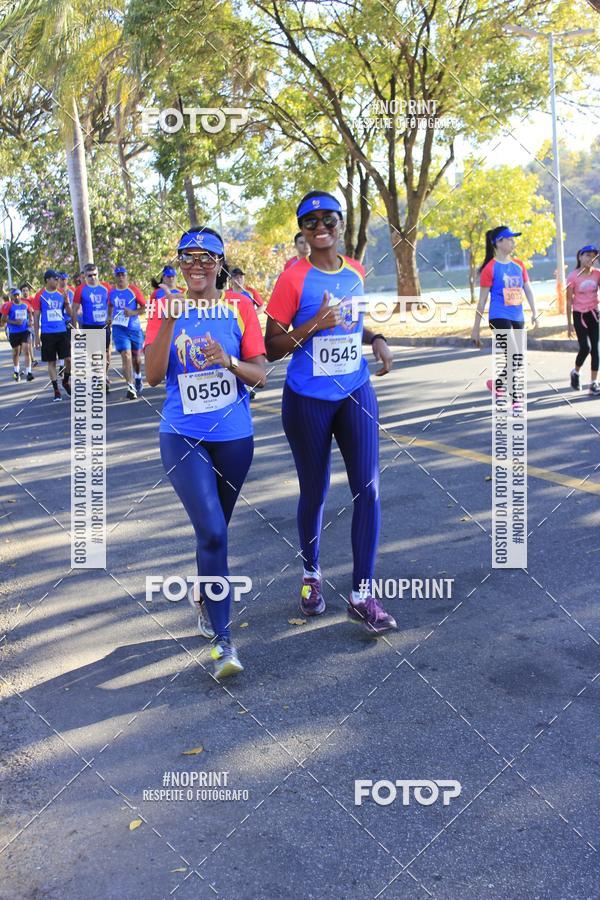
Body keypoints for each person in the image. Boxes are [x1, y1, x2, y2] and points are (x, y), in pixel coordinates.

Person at [265, 190, 396, 635]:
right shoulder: (293, 279)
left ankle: (362, 595)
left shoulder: (355, 271)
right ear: (302, 229)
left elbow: (353, 322)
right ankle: (311, 575)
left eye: (329, 218)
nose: (320, 226)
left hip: (355, 389)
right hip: (308, 399)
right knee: (315, 492)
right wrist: (313, 325)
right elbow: (272, 345)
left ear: (340, 224)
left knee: (369, 490)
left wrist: (375, 337)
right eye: (310, 220)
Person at [145, 227, 267, 679]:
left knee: (212, 531)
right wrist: (172, 322)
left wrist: (227, 362)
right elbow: (154, 376)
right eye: (187, 257)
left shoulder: (239, 308)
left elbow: (261, 375)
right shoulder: (164, 307)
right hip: (182, 434)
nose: (196, 265)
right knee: (213, 532)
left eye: (206, 257)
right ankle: (224, 643)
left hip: (235, 437)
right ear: (179, 263)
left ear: (219, 263)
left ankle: (204, 595)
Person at [470, 225, 538, 391]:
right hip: (499, 316)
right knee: (514, 353)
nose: (513, 242)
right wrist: (476, 328)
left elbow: (528, 290)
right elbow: (482, 301)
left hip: (517, 316)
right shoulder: (490, 268)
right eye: (509, 239)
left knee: (518, 357)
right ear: (498, 243)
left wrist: (535, 312)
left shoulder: (519, 265)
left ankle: (497, 384)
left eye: (513, 239)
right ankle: (515, 397)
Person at [32, 269, 72, 401]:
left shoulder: (61, 294)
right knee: (52, 362)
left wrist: (67, 302)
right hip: (47, 334)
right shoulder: (40, 295)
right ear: (47, 280)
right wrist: (37, 337)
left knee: (69, 360)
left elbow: (70, 313)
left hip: (62, 332)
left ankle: (65, 381)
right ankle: (56, 390)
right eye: (55, 278)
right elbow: (36, 317)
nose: (57, 281)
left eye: (58, 279)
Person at [71, 263, 112, 391]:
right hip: (89, 326)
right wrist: (75, 326)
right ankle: (98, 378)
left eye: (95, 275)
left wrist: (110, 316)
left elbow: (111, 304)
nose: (93, 278)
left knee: (106, 353)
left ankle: (103, 375)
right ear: (84, 276)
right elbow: (75, 308)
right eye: (89, 276)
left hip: (104, 325)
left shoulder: (106, 287)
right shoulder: (80, 289)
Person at [108, 266, 146, 399]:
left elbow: (144, 308)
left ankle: (138, 377)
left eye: (123, 275)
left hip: (134, 328)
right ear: (115, 276)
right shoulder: (112, 292)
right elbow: (110, 306)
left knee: (137, 359)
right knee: (126, 355)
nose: (120, 277)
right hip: (119, 329)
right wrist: (109, 318)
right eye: (118, 275)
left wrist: (132, 313)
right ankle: (130, 387)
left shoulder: (134, 290)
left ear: (126, 276)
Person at [566, 245, 600, 395]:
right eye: (587, 255)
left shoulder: (598, 274)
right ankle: (576, 372)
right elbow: (568, 301)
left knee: (596, 349)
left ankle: (593, 383)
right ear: (580, 256)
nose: (590, 259)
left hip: (593, 313)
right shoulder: (573, 276)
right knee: (585, 348)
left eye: (593, 256)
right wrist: (569, 324)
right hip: (579, 314)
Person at [1, 287, 34, 381]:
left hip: (25, 330)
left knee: (26, 350)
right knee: (16, 352)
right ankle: (16, 371)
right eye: (14, 295)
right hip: (14, 332)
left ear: (20, 295)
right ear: (11, 296)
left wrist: (30, 320)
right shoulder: (8, 306)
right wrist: (15, 322)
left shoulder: (25, 305)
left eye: (18, 295)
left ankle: (29, 372)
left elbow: (30, 312)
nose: (17, 297)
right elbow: (3, 319)